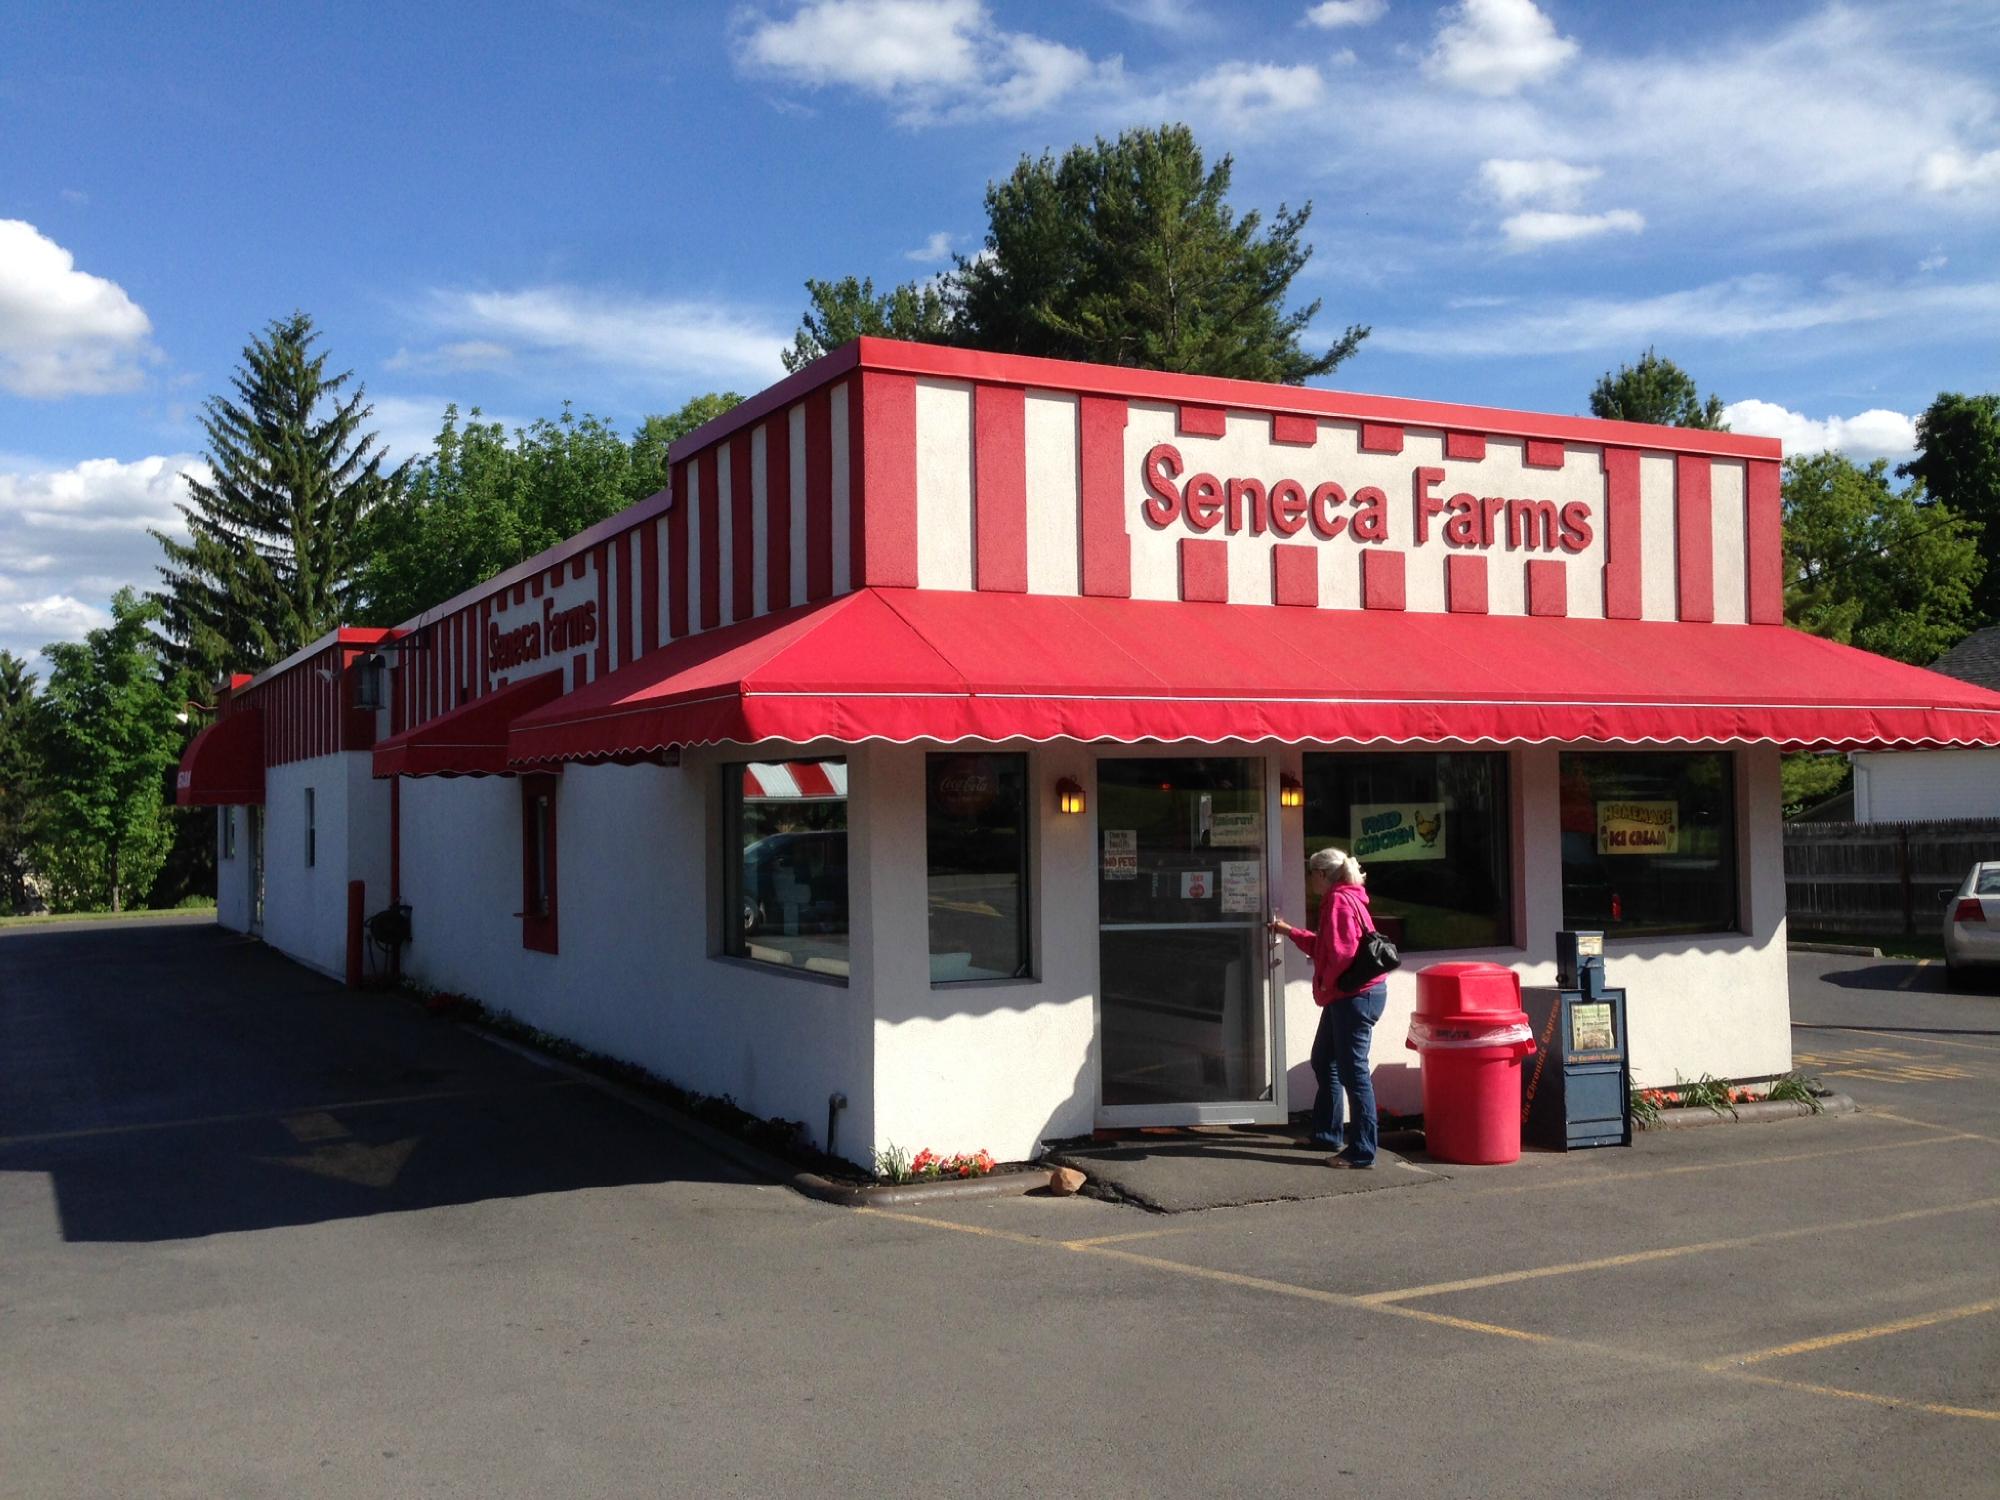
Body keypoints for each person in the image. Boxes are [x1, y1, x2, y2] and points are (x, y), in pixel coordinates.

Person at [1269, 847, 1387, 1169]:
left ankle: (1362, 1151)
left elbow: (1340, 956)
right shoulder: (1349, 896)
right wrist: (1290, 931)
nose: (1310, 880)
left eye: (1311, 873)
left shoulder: (1337, 900)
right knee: (1324, 1059)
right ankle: (1327, 1133)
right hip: (1353, 995)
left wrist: (1324, 986)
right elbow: (1326, 947)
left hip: (1354, 997)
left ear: (1321, 874)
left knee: (1354, 1073)